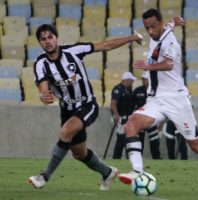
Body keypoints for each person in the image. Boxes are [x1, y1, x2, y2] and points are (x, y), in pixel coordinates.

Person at [118, 8, 198, 185]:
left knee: (197, 146)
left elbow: (168, 64)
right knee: (130, 126)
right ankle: (137, 171)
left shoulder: (171, 42)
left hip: (176, 100)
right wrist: (173, 21)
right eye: (147, 28)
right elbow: (168, 26)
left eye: (153, 27)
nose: (150, 31)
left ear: (160, 24)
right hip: (155, 100)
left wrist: (148, 67)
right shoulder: (159, 34)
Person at [28, 24, 142, 190]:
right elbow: (43, 89)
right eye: (43, 39)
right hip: (67, 110)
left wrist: (131, 38)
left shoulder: (74, 51)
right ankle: (108, 172)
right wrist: (44, 95)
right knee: (79, 153)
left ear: (56, 38)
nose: (47, 41)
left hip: (87, 105)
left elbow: (105, 45)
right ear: (40, 43)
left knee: (65, 132)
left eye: (50, 37)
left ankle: (43, 177)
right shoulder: (40, 64)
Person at [132, 71, 161, 159]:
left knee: (154, 140)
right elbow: (132, 104)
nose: (144, 81)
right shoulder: (137, 90)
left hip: (151, 119)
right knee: (140, 140)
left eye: (146, 79)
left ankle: (156, 159)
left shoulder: (156, 90)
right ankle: (139, 159)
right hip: (140, 119)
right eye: (143, 79)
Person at [111, 72, 136, 159]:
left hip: (127, 116)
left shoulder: (128, 89)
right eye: (131, 80)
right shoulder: (118, 89)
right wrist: (116, 115)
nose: (132, 82)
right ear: (126, 80)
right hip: (120, 116)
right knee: (122, 137)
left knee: (124, 137)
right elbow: (113, 103)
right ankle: (117, 156)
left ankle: (121, 156)